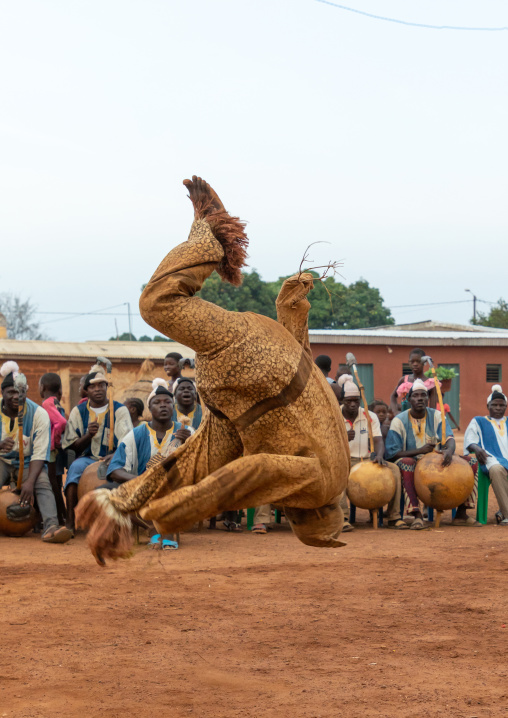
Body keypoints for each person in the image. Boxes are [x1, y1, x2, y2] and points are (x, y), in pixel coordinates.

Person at [77, 175, 350, 565]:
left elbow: (307, 372)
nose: (288, 512)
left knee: (194, 459)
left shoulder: (336, 463)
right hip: (256, 372)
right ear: (308, 516)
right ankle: (210, 239)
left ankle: (121, 501)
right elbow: (254, 472)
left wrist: (292, 312)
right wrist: (176, 513)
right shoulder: (318, 490)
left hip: (250, 397)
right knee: (157, 303)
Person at [107, 379, 191, 547]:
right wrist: (141, 481)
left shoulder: (187, 432)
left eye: (168, 402)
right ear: (149, 409)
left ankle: (160, 531)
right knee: (116, 500)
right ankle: (154, 529)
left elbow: (201, 464)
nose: (163, 405)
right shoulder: (136, 434)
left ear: (173, 407)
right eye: (157, 402)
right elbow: (114, 469)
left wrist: (190, 443)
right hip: (144, 491)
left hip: (176, 490)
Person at [385, 379, 479, 529]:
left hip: (437, 461)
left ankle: (461, 513)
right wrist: (420, 451)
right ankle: (416, 514)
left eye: (423, 395)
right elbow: (391, 453)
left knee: (471, 462)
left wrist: (449, 450)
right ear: (408, 399)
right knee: (406, 463)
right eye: (416, 395)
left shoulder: (437, 415)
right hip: (413, 463)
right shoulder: (399, 420)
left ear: (428, 398)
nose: (420, 398)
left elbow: (449, 439)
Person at [0, 361, 71, 543]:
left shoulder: (39, 414)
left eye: (20, 392)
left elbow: (40, 453)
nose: (16, 396)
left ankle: (51, 527)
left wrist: (30, 482)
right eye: (11, 392)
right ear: (2, 393)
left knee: (42, 483)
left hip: (30, 462)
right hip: (2, 462)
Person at [62, 365, 133, 533]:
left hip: (115, 457)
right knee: (73, 473)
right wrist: (88, 435)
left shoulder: (120, 410)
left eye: (101, 385)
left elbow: (128, 441)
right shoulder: (78, 412)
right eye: (93, 386)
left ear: (107, 387)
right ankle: (71, 523)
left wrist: (115, 455)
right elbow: (72, 445)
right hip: (87, 459)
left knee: (122, 478)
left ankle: (119, 523)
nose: (98, 389)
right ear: (86, 390)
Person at [340, 381, 407, 530]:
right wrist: (343, 437)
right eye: (349, 401)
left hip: (368, 461)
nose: (352, 404)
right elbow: (328, 444)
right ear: (342, 401)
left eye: (356, 401)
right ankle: (342, 518)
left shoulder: (369, 416)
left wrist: (379, 455)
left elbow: (378, 440)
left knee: (394, 470)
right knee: (337, 471)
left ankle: (393, 517)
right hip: (345, 461)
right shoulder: (334, 415)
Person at [464, 384, 508, 525]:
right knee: (496, 469)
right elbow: (470, 440)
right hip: (491, 460)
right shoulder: (479, 421)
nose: (498, 408)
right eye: (494, 405)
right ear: (488, 405)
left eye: (502, 406)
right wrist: (477, 449)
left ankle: (503, 512)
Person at [39, 372, 67, 525]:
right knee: (56, 481)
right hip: (56, 450)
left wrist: (54, 441)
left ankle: (60, 516)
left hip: (50, 450)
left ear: (42, 388)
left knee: (51, 483)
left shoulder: (47, 403)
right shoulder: (56, 402)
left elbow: (61, 423)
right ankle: (62, 515)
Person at [390, 348, 436, 416]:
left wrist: (431, 417)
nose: (415, 364)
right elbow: (393, 396)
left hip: (423, 418)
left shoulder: (430, 383)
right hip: (405, 417)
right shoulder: (404, 380)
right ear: (409, 362)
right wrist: (395, 411)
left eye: (418, 361)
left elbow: (433, 406)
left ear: (424, 362)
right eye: (412, 361)